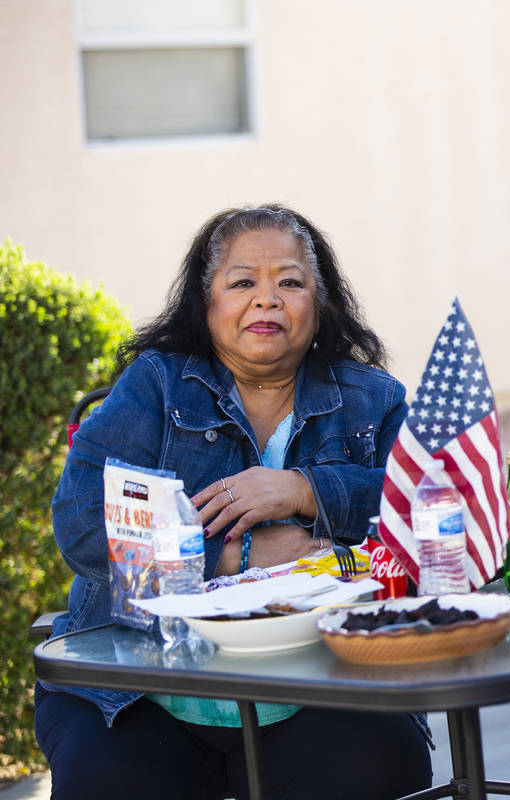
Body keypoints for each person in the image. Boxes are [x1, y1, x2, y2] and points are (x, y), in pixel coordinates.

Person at [37, 205, 433, 800]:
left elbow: (428, 509)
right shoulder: (156, 384)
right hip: (145, 686)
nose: (267, 300)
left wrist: (307, 489)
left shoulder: (372, 400)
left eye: (291, 282)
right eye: (243, 281)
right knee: (110, 782)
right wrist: (233, 554)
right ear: (206, 303)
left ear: (319, 304)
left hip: (325, 680)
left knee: (377, 768)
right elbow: (81, 521)